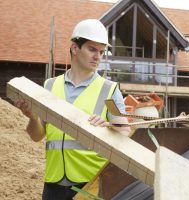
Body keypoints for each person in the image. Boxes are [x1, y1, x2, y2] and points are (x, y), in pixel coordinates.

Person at [15, 19, 131, 200]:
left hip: (90, 184)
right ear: (75, 49)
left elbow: (125, 132)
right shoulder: (50, 85)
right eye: (92, 49)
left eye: (101, 51)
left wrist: (108, 126)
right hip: (53, 183)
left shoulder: (109, 90)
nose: (98, 56)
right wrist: (31, 117)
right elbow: (37, 136)